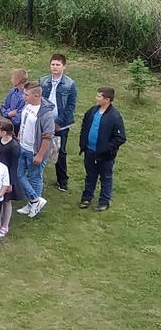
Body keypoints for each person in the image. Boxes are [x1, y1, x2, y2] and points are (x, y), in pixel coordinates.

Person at [78, 86, 126, 212]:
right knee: (90, 175)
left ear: (107, 100)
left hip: (105, 155)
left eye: (99, 96)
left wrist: (106, 149)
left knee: (105, 178)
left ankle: (104, 202)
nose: (96, 98)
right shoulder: (92, 111)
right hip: (89, 151)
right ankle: (86, 198)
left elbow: (120, 138)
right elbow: (85, 124)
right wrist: (83, 141)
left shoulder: (114, 116)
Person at [15, 82, 55, 219]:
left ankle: (33, 203)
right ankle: (35, 200)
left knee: (35, 177)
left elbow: (48, 136)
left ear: (36, 96)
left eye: (26, 95)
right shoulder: (28, 105)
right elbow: (24, 121)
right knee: (19, 174)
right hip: (23, 146)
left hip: (35, 151)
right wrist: (20, 134)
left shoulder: (46, 114)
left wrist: (40, 155)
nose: (24, 97)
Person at [40, 53, 77, 193]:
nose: (55, 67)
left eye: (58, 65)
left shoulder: (70, 84)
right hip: (45, 121)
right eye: (53, 64)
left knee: (60, 151)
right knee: (41, 148)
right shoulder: (43, 81)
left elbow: (71, 105)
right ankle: (39, 177)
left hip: (61, 124)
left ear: (64, 66)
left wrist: (59, 122)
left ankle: (62, 180)